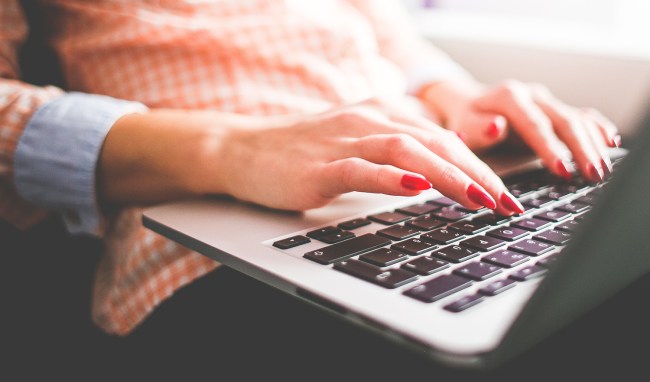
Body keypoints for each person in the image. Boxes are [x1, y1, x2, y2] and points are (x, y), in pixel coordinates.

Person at [0, 0, 619, 340]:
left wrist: (456, 94)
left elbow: (385, 38)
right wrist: (232, 148)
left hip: (434, 180)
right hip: (217, 237)